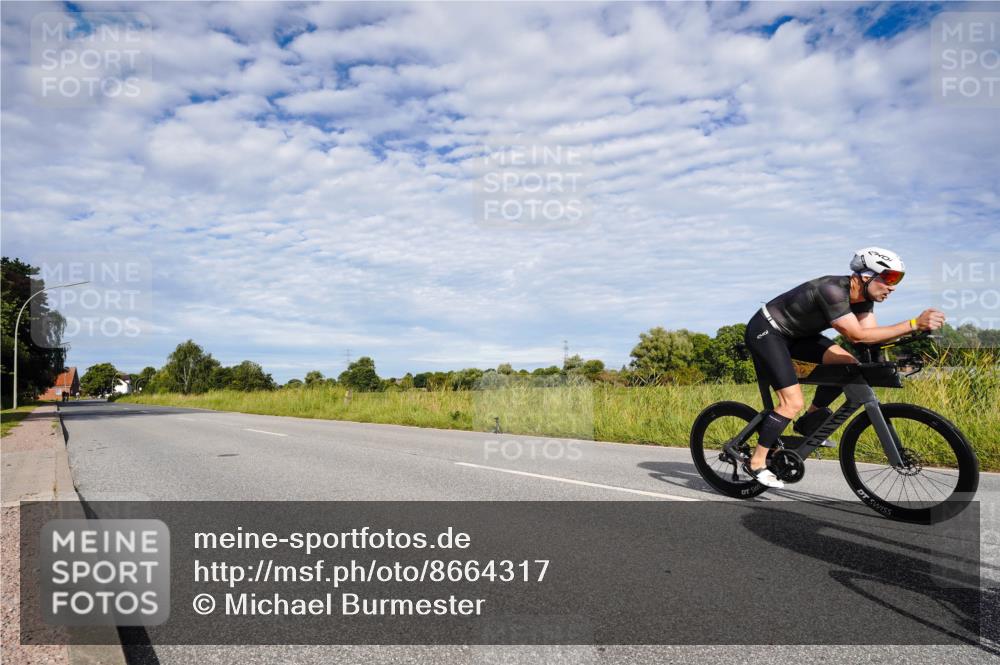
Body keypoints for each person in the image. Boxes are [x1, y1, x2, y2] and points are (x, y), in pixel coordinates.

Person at [742, 247, 945, 488]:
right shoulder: (832, 290)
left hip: (798, 336)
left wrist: (910, 340)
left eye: (898, 280)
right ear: (865, 276)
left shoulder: (864, 301)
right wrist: (912, 323)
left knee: (848, 364)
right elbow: (858, 336)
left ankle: (810, 419)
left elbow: (872, 337)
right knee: (791, 402)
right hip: (768, 332)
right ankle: (756, 462)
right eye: (889, 278)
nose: (893, 287)